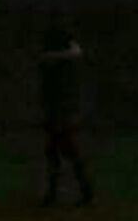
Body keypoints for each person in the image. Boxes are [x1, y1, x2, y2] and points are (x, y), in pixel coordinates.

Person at [36, 23, 94, 206]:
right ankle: (74, 191)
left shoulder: (58, 63)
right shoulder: (56, 61)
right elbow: (73, 53)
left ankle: (78, 192)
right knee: (58, 152)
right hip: (58, 111)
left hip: (60, 112)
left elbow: (72, 54)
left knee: (63, 152)